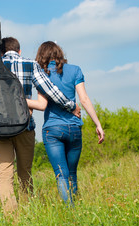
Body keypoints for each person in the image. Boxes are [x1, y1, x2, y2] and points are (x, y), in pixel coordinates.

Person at [0, 37, 81, 214]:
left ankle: (11, 218)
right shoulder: (29, 64)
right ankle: (28, 213)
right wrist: (71, 106)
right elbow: (50, 90)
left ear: (1, 52)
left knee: (5, 175)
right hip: (24, 126)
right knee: (25, 173)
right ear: (19, 51)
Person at [32, 41, 105, 204]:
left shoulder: (41, 75)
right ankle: (76, 207)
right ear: (59, 53)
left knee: (61, 174)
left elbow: (41, 104)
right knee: (72, 173)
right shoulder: (75, 70)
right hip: (74, 128)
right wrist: (97, 124)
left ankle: (69, 211)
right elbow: (84, 99)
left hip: (53, 130)